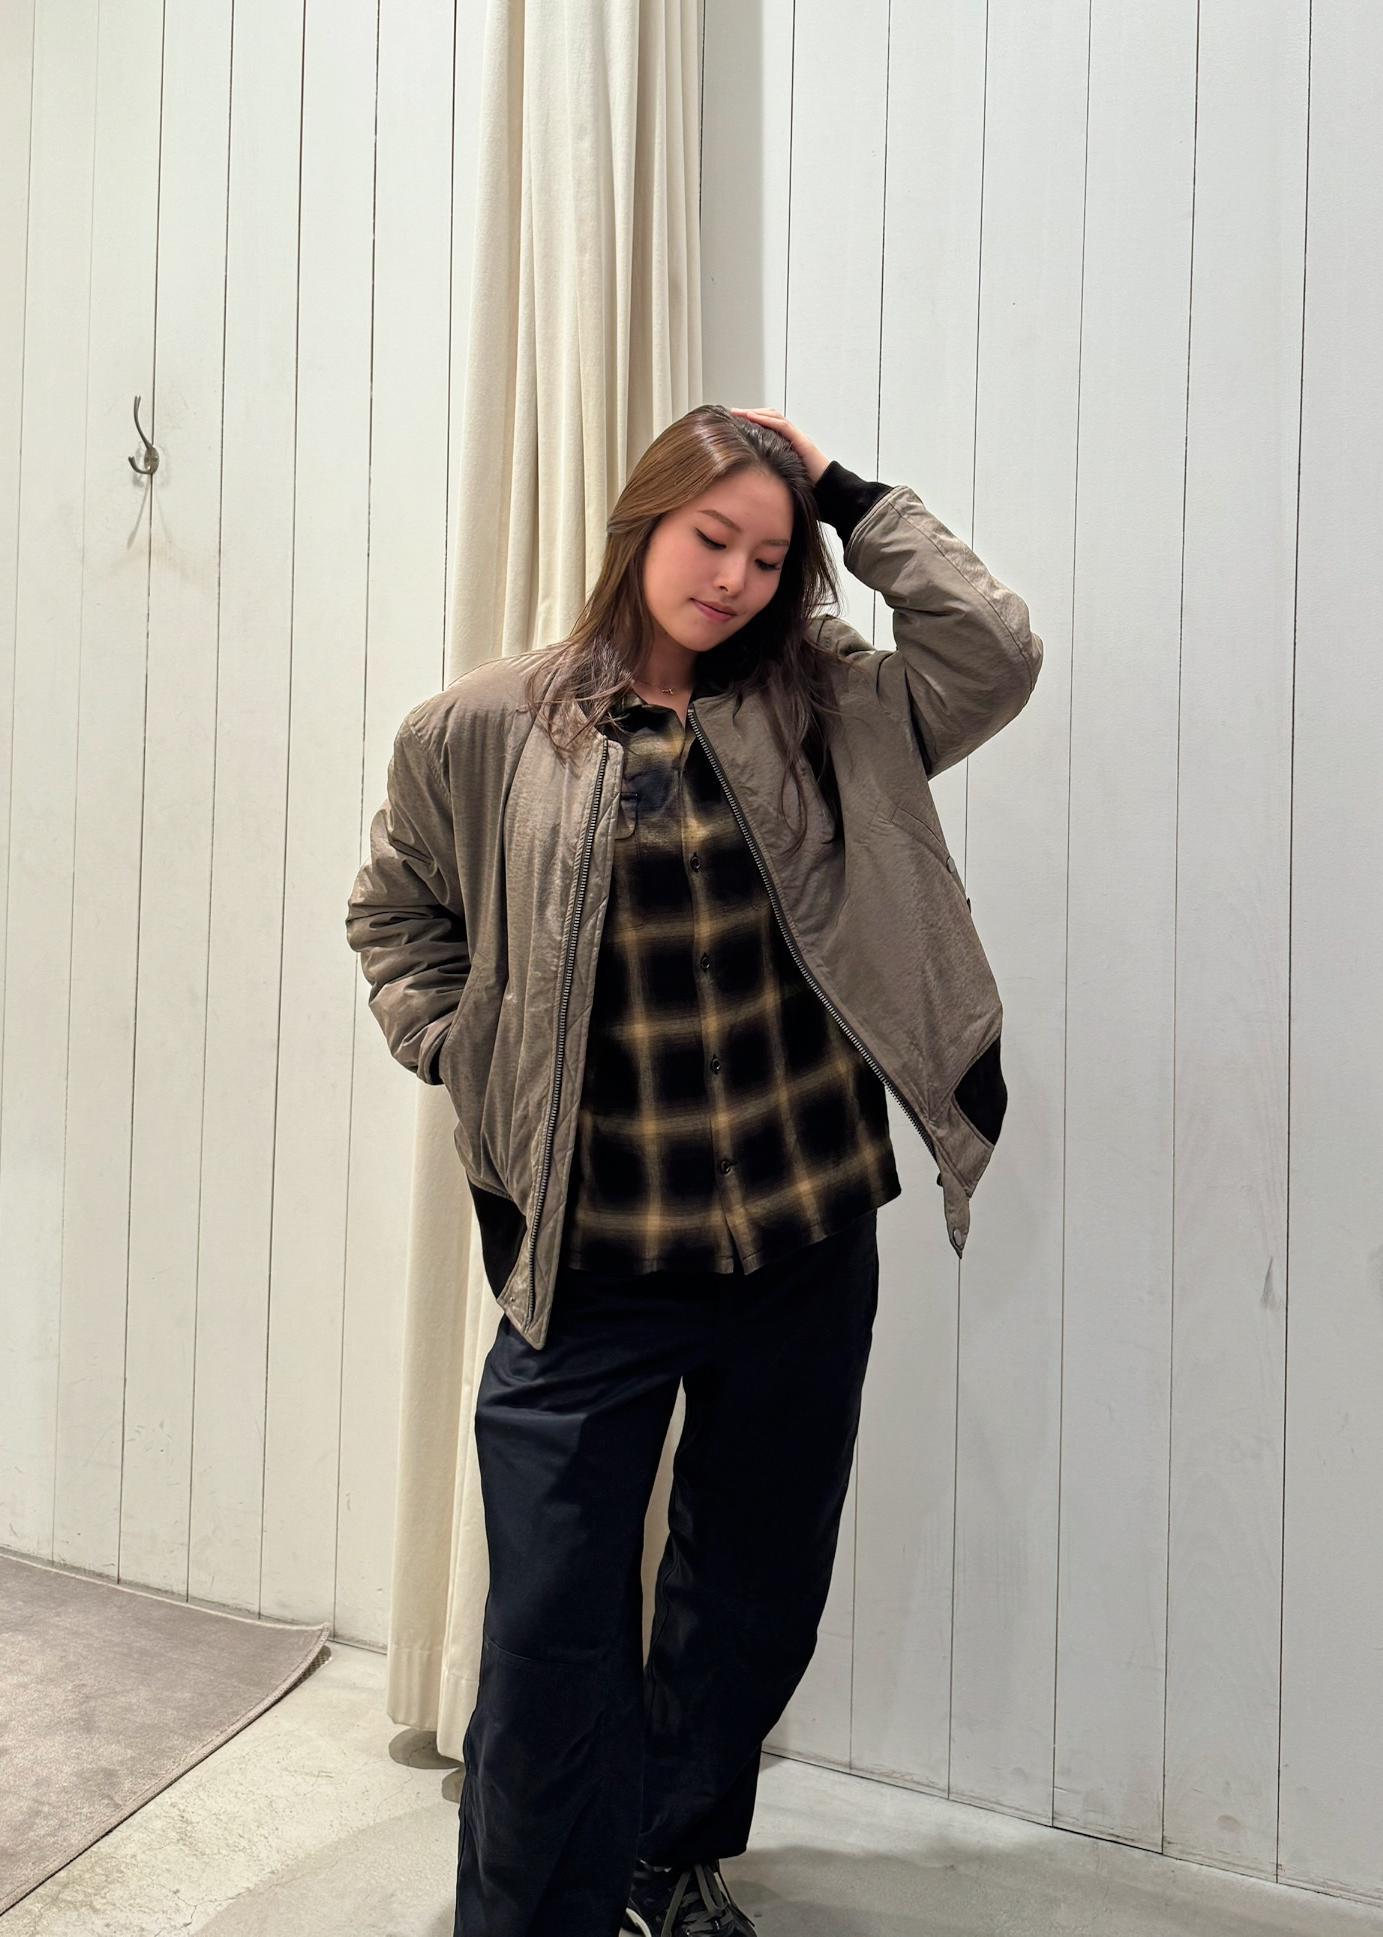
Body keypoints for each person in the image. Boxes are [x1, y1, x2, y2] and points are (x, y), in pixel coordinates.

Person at [345, 402, 1043, 1937]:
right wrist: (463, 1046)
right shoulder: (484, 727)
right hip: (591, 1255)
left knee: (749, 1593)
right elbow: (395, 916)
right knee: (549, 1624)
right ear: (643, 523)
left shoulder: (834, 705)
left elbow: (995, 650)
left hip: (802, 1233)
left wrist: (843, 491)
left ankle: (667, 1858)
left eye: (768, 555)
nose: (733, 577)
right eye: (709, 537)